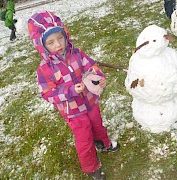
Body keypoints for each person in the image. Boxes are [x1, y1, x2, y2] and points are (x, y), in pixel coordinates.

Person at [27, 11, 119, 180]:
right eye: (51, 42)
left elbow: (91, 67)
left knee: (97, 124)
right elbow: (48, 94)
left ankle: (103, 143)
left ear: (65, 33)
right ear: (42, 45)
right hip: (73, 111)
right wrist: (69, 91)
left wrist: (100, 78)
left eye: (60, 37)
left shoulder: (76, 53)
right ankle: (91, 167)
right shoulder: (44, 69)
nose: (58, 44)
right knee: (84, 138)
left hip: (90, 101)